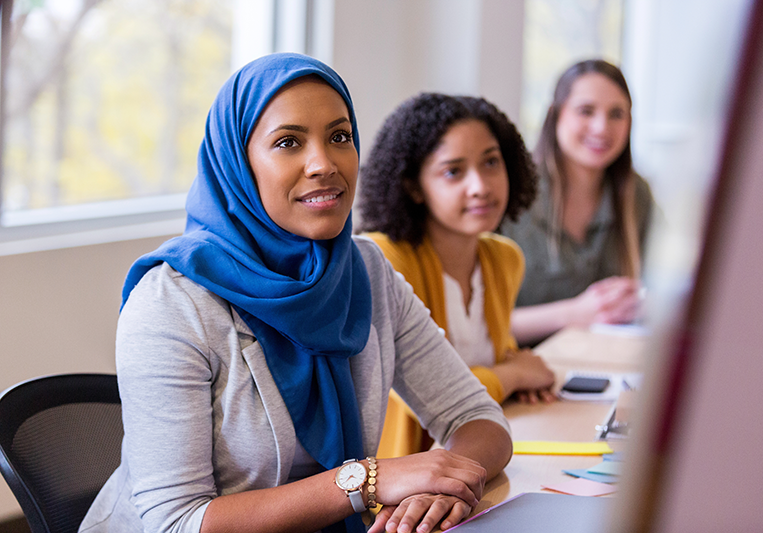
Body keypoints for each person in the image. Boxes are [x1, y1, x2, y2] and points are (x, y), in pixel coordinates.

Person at [78, 53, 512, 533]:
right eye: (288, 143)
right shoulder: (171, 304)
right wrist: (365, 481)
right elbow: (176, 522)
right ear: (239, 165)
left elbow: (476, 417)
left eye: (339, 137)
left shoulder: (366, 270)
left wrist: (440, 485)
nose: (323, 164)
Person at [357, 93, 556, 459]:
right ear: (414, 186)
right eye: (453, 171)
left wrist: (510, 375)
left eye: (491, 162)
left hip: (475, 462)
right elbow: (420, 400)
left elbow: (496, 362)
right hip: (396, 488)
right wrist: (511, 377)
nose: (480, 185)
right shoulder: (382, 258)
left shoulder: (504, 259)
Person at [502, 59, 655, 346]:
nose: (601, 128)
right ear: (555, 115)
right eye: (586, 111)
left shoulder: (637, 195)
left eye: (616, 114)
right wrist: (575, 313)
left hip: (601, 365)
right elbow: (471, 330)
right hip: (519, 371)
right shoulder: (509, 191)